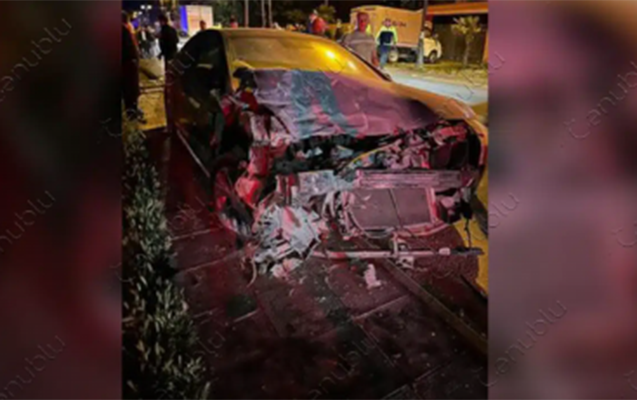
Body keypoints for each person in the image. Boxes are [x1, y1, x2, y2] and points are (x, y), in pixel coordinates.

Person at [122, 11, 145, 123]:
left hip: (130, 65)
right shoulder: (123, 31)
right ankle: (131, 113)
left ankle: (134, 109)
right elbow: (128, 49)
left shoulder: (126, 30)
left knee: (133, 90)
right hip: (128, 66)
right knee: (130, 90)